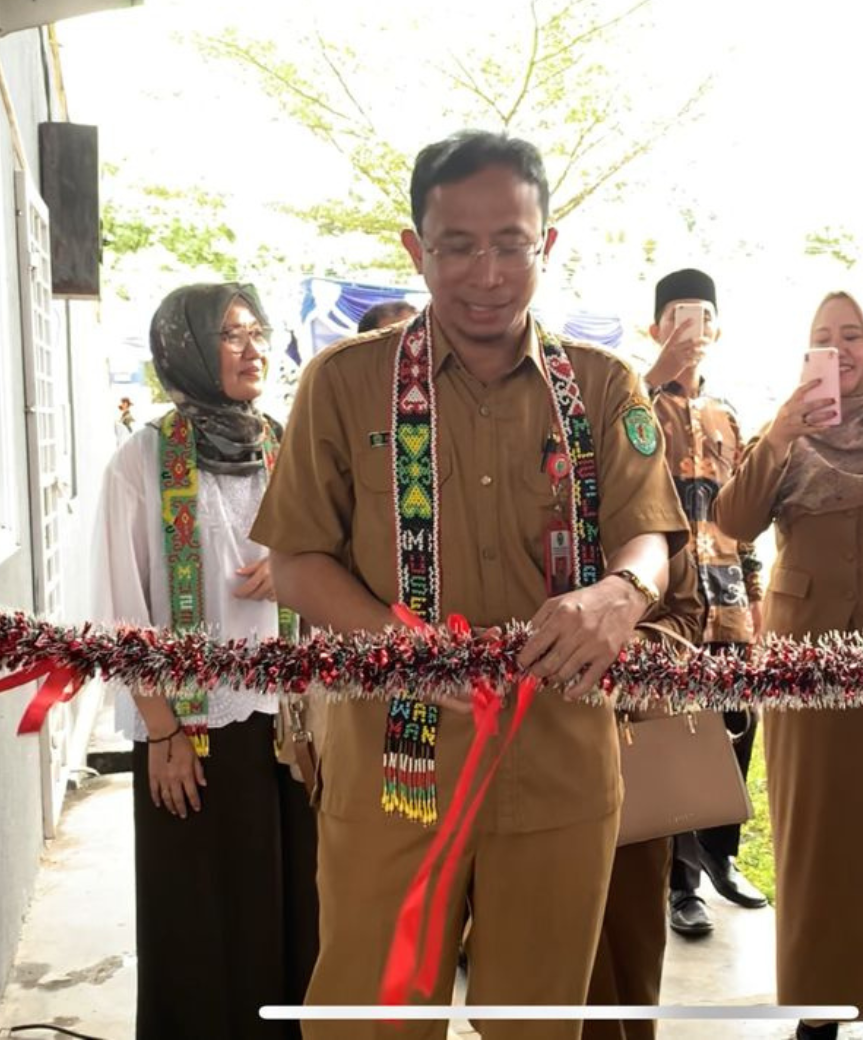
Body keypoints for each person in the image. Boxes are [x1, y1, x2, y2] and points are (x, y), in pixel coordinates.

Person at [252, 129, 688, 1040]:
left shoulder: (603, 385)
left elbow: (648, 534)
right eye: (457, 246)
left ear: (547, 244)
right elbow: (295, 563)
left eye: (511, 245)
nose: (486, 274)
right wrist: (397, 641)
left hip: (559, 757)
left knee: (536, 1023)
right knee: (371, 1022)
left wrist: (622, 592)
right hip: (395, 768)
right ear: (416, 248)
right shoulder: (345, 384)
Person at [712, 290, 863, 1040]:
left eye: (852, 335)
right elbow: (732, 522)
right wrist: (781, 433)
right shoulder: (785, 428)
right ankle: (816, 1003)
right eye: (824, 335)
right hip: (804, 661)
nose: (839, 348)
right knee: (813, 836)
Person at [90, 282, 319, 1038]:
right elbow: (121, 612)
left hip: (292, 724)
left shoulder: (285, 444)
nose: (254, 350)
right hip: (193, 728)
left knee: (298, 903)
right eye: (231, 335)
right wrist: (162, 732)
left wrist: (294, 569)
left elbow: (333, 554)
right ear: (186, 350)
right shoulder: (143, 460)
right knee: (203, 916)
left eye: (258, 332)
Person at [641, 267, 769, 939]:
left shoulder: (729, 416)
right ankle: (680, 882)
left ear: (718, 329)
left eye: (703, 317)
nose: (693, 328)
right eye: (678, 316)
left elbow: (741, 517)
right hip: (667, 604)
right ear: (655, 327)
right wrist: (653, 378)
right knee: (677, 737)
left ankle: (722, 857)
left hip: (729, 599)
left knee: (736, 727)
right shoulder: (634, 403)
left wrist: (756, 597)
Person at [582, 550, 706, 1040]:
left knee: (630, 932)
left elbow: (687, 619)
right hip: (513, 755)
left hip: (628, 749)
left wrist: (617, 641)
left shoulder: (650, 525)